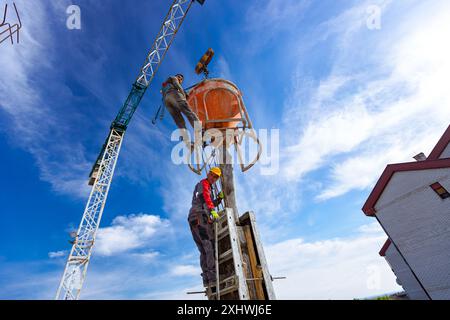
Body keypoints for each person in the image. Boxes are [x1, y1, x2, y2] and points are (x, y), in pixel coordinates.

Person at [188, 167, 224, 288]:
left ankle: (207, 280)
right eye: (213, 175)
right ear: (208, 174)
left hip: (195, 219)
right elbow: (206, 199)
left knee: (203, 250)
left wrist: (219, 199)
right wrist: (213, 211)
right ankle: (213, 278)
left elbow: (207, 202)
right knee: (208, 246)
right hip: (199, 218)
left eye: (216, 177)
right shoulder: (203, 184)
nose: (214, 178)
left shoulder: (207, 187)